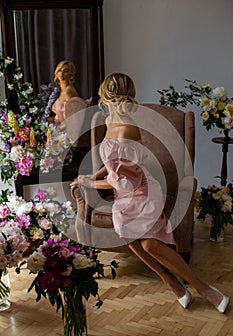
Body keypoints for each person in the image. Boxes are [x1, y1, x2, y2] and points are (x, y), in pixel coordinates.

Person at [70, 72, 230, 313]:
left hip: (141, 193)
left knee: (150, 246)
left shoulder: (127, 130)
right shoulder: (110, 122)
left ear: (106, 95)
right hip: (126, 193)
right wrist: (94, 175)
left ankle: (203, 289)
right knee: (126, 233)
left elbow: (122, 182)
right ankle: (171, 282)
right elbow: (111, 161)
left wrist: (89, 184)